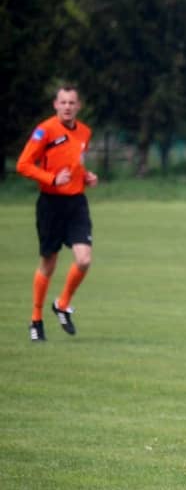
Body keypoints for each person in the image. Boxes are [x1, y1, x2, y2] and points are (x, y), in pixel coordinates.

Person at [16, 86, 98, 342]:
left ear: (78, 106)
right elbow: (23, 165)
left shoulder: (85, 132)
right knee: (48, 264)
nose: (67, 107)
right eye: (63, 102)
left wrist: (86, 176)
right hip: (50, 205)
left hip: (76, 204)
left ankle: (62, 304)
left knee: (84, 260)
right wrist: (51, 178)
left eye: (72, 102)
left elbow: (76, 162)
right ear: (55, 105)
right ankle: (36, 320)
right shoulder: (45, 130)